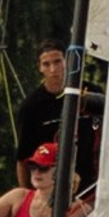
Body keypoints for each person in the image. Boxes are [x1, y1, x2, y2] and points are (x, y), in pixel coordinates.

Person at [14, 45, 69, 188]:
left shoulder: (90, 95)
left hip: (88, 184)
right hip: (47, 185)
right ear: (40, 68)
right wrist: (26, 197)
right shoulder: (30, 107)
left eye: (57, 62)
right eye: (46, 64)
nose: (53, 69)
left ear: (66, 61)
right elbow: (22, 157)